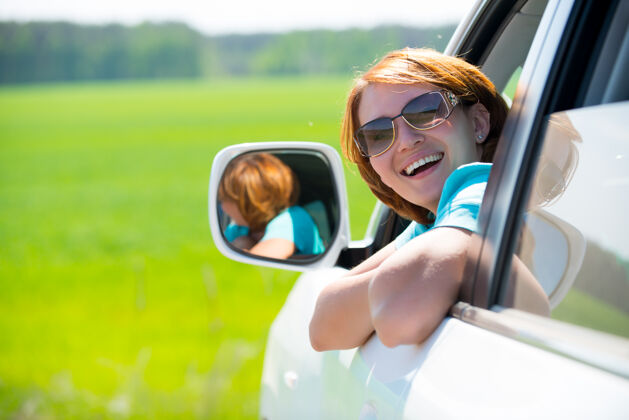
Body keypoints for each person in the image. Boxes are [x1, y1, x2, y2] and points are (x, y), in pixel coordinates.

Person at [309, 48, 549, 351]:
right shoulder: (436, 224)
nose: (407, 141)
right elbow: (322, 328)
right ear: (373, 167)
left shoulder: (485, 189)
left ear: (478, 124)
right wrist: (401, 280)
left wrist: (388, 289)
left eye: (425, 111)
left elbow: (399, 315)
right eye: (379, 134)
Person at [218, 152, 325, 259]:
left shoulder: (293, 219)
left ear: (249, 202)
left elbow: (262, 260)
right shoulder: (238, 229)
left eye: (225, 199)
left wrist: (242, 244)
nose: (222, 206)